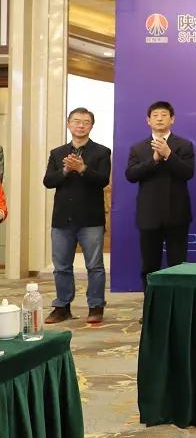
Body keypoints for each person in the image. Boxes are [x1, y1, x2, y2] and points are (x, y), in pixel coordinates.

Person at [43, 108, 111, 324]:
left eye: (86, 122)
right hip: (62, 218)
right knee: (61, 266)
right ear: (68, 124)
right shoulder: (57, 153)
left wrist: (82, 168)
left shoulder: (102, 152)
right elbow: (48, 181)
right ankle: (62, 306)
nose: (81, 125)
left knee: (95, 266)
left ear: (91, 126)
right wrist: (65, 171)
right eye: (76, 121)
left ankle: (96, 306)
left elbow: (102, 180)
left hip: (91, 218)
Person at [124, 101, 196, 289]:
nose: (159, 118)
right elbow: (131, 175)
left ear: (172, 119)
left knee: (178, 264)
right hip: (149, 215)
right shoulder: (138, 148)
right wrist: (154, 159)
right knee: (149, 264)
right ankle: (151, 303)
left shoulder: (184, 145)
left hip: (177, 213)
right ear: (148, 120)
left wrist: (169, 155)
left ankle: (178, 304)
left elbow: (188, 173)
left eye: (164, 115)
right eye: (155, 115)